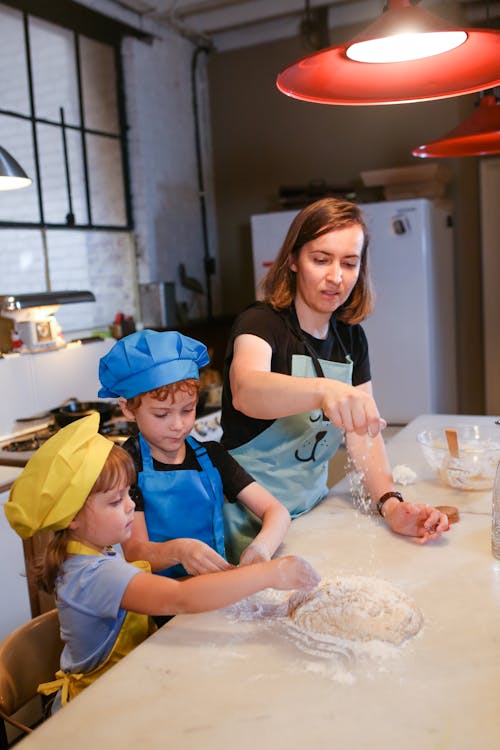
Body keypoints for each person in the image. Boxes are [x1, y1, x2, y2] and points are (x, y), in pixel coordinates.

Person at [3, 413, 320, 709]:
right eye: (115, 501)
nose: (130, 506)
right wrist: (269, 574)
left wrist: (229, 581)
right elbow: (177, 598)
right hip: (94, 707)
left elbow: (165, 588)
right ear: (71, 518)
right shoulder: (95, 574)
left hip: (120, 684)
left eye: (129, 494)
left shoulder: (88, 554)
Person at [221, 197, 450, 555]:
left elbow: (363, 434)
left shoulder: (350, 336)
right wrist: (325, 391)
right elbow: (246, 391)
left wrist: (390, 504)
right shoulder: (260, 322)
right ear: (293, 260)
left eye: (349, 263)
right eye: (321, 259)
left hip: (311, 513)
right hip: (245, 523)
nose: (336, 277)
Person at [98, 329, 291, 573]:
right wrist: (180, 551)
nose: (178, 425)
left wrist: (261, 548)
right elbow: (136, 551)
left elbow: (277, 511)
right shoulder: (127, 465)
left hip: (212, 591)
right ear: (127, 409)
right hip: (159, 601)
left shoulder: (211, 457)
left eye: (187, 410)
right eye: (161, 414)